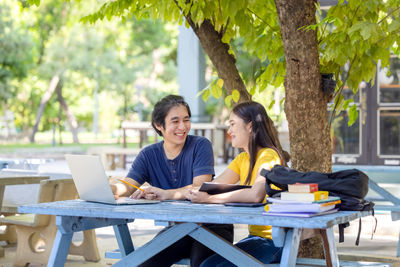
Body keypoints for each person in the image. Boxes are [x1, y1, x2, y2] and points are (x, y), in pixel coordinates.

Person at [111, 94, 233, 267]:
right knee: (145, 262)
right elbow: (127, 186)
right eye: (175, 121)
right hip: (179, 230)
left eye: (186, 120)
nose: (182, 127)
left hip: (213, 227)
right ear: (159, 125)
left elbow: (199, 188)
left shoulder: (200, 145)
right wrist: (106, 189)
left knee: (201, 263)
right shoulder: (148, 155)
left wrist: (164, 194)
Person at [188, 101, 290, 266]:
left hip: (274, 242)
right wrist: (167, 193)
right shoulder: (242, 159)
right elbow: (212, 187)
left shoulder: (268, 156)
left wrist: (208, 199)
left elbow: (255, 195)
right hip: (255, 239)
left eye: (233, 124)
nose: (229, 131)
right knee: (206, 264)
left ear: (250, 126)